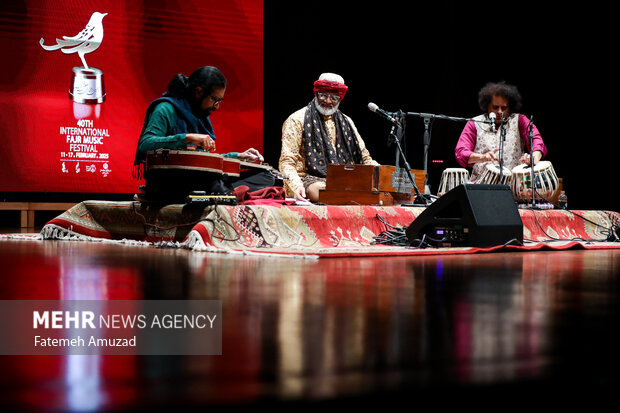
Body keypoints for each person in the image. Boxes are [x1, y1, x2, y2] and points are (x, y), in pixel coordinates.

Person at [133, 66, 274, 199]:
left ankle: (224, 194)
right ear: (199, 91)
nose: (217, 107)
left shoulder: (198, 115)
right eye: (214, 100)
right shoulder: (165, 108)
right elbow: (145, 145)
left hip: (197, 177)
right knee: (212, 183)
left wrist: (237, 157)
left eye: (220, 101)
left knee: (265, 176)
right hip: (170, 181)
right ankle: (223, 193)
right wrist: (186, 138)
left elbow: (201, 161)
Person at [279, 73, 377, 202]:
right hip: (309, 182)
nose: (328, 101)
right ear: (316, 93)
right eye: (323, 95)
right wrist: (296, 185)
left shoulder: (347, 122)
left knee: (376, 189)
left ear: (340, 99)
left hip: (344, 182)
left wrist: (383, 174)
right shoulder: (297, 119)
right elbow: (287, 162)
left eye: (334, 98)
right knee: (322, 191)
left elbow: (365, 159)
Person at [454, 81, 548, 182]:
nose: (499, 112)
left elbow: (536, 140)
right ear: (487, 106)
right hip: (481, 186)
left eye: (504, 108)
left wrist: (533, 158)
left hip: (513, 186)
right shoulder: (474, 123)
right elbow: (461, 152)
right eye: (495, 107)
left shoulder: (520, 120)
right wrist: (482, 157)